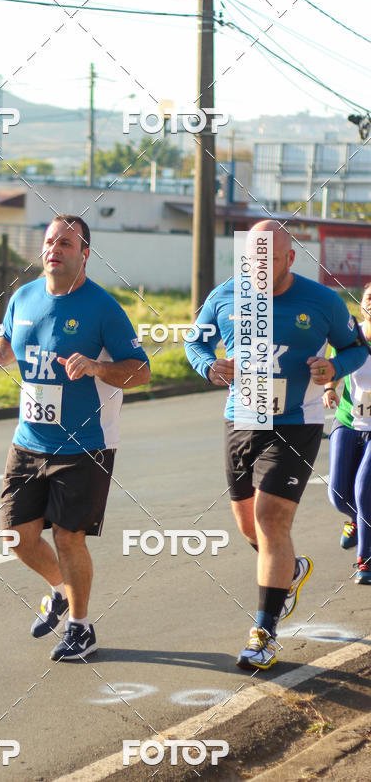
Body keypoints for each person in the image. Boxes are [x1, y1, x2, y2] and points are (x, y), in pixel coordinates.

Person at [185, 220, 367, 670]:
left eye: (270, 257)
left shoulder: (322, 301)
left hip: (295, 422)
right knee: (251, 527)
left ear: (290, 258)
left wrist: (333, 367)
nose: (260, 266)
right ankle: (289, 569)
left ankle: (263, 633)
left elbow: (357, 349)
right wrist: (209, 366)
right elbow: (195, 343)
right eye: (253, 258)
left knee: (270, 520)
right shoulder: (225, 296)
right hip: (241, 419)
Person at [0, 215, 150, 661]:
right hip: (29, 439)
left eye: (66, 244)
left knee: (69, 537)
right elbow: (10, 342)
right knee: (16, 535)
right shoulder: (24, 296)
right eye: (50, 242)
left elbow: (141, 370)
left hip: (85, 442)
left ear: (85, 254)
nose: (54, 249)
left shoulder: (103, 308)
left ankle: (80, 626)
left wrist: (95, 367)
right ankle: (59, 590)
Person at [323, 281, 371, 585]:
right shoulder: (349, 334)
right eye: (369, 297)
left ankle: (365, 562)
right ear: (361, 303)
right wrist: (329, 387)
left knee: (365, 490)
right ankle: (355, 519)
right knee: (339, 494)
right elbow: (333, 365)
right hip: (348, 418)